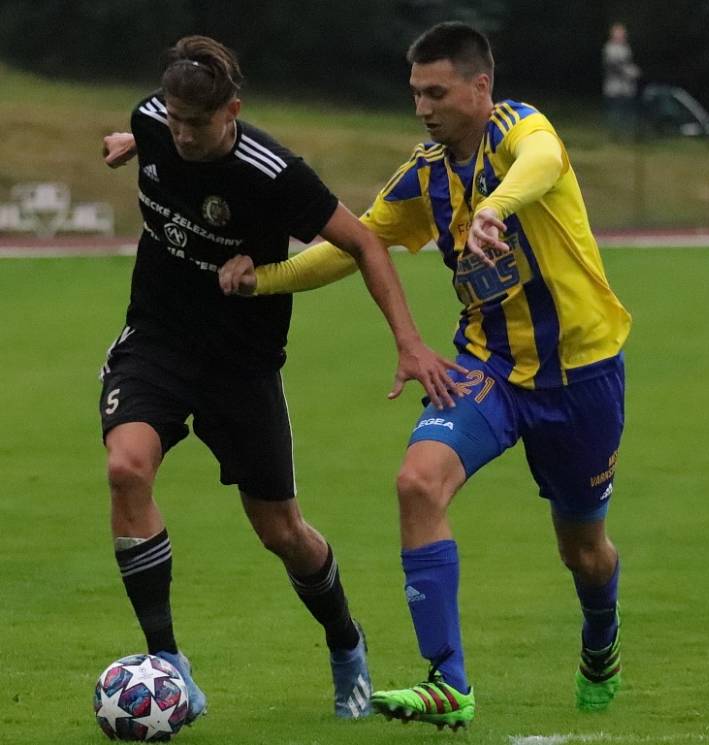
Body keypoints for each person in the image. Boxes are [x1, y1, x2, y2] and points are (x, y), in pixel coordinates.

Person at [220, 21, 632, 729]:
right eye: (415, 93)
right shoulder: (425, 174)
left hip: (582, 372)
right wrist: (267, 279)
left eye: (436, 92)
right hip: (487, 367)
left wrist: (496, 209)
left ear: (481, 88)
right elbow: (354, 244)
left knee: (584, 550)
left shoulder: (521, 131)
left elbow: (540, 163)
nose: (423, 107)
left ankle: (600, 639)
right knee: (417, 481)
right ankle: (449, 679)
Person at [98, 34, 462, 725]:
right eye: (170, 120)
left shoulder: (272, 173)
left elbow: (361, 243)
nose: (179, 133)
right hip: (158, 341)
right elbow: (157, 137)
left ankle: (346, 643)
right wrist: (137, 142)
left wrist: (409, 342)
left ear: (231, 111)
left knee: (282, 531)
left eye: (195, 124)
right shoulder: (155, 120)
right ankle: (168, 663)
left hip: (242, 365)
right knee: (126, 466)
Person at [602, 22, 641, 139]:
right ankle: (613, 135)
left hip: (627, 88)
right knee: (615, 112)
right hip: (614, 88)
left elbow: (627, 63)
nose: (621, 36)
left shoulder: (626, 48)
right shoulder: (609, 48)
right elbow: (613, 65)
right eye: (618, 33)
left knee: (627, 112)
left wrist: (634, 71)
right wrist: (628, 72)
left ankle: (626, 135)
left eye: (622, 33)